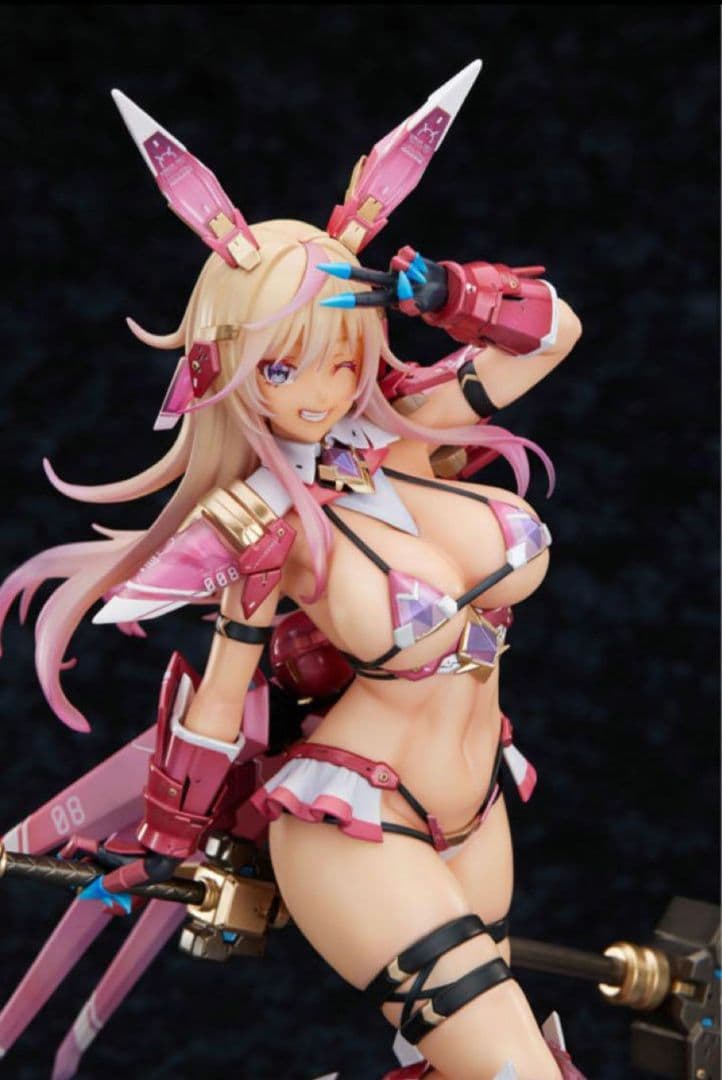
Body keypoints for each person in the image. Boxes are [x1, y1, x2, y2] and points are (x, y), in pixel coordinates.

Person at [0, 66, 585, 1079]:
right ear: (227, 367)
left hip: (473, 808)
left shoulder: (406, 432)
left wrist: (452, 294)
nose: (320, 390)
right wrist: (166, 839)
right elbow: (221, 698)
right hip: (357, 822)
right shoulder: (261, 526)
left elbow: (557, 331)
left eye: (340, 356)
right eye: (281, 365)